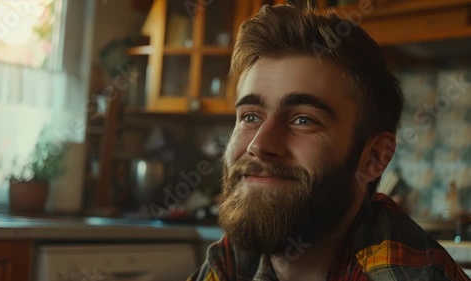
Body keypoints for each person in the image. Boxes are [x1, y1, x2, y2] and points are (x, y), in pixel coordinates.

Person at [188, 1, 470, 281]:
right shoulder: (236, 258)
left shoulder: (406, 274)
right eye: (250, 117)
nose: (258, 146)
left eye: (303, 120)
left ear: (373, 157)